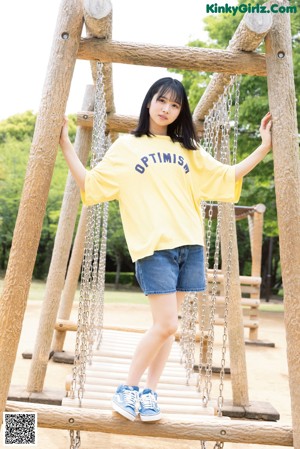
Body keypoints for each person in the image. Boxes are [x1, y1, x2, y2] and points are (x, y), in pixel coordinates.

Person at [59, 77, 272, 423]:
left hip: (190, 245)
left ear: (180, 111)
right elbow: (91, 184)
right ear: (149, 102)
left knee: (169, 328)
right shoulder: (127, 147)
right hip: (153, 247)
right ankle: (127, 388)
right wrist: (66, 144)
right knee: (166, 324)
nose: (167, 109)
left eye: (175, 105)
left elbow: (227, 176)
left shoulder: (188, 149)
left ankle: (150, 393)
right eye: (162, 101)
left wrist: (263, 147)